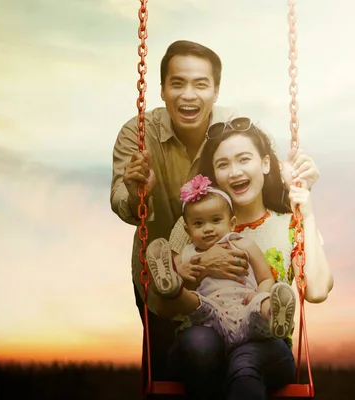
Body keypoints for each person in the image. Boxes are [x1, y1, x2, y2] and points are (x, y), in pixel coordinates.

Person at [110, 39, 325, 398]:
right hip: (171, 267)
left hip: (247, 305)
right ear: (162, 89)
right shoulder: (139, 134)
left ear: (216, 89)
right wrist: (138, 191)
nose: (188, 95)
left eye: (200, 84)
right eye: (177, 83)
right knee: (187, 353)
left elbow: (265, 176)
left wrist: (296, 186)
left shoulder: (233, 129)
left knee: (246, 353)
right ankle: (173, 282)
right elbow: (122, 202)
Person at [163, 117, 333, 399]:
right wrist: (199, 265)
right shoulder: (190, 227)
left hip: (263, 345)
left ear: (265, 164)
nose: (234, 172)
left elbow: (316, 290)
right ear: (214, 175)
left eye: (244, 159)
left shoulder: (288, 225)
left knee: (246, 361)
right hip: (203, 336)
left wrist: (307, 213)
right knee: (202, 346)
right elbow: (161, 303)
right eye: (223, 164)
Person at [146, 173, 297, 349]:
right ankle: (175, 289)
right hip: (212, 313)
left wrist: (258, 293)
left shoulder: (243, 245)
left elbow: (265, 278)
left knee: (259, 306)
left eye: (216, 220)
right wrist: (178, 273)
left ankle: (273, 314)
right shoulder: (188, 254)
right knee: (195, 303)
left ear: (232, 223)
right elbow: (159, 294)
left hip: (245, 306)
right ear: (187, 231)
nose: (208, 229)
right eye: (198, 224)